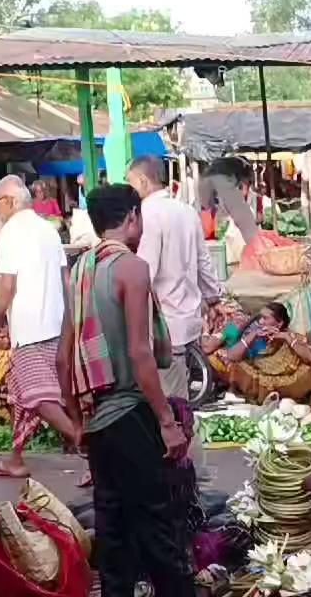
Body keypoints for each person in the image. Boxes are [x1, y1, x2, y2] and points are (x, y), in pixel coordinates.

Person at [72, 184, 193, 597]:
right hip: (129, 412)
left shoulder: (80, 269)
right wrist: (166, 421)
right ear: (131, 218)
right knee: (158, 525)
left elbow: (61, 356)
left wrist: (77, 422)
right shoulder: (132, 268)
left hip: (98, 418)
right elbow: (141, 352)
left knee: (113, 528)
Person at [0, 175, 80, 478]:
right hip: (55, 323)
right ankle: (15, 458)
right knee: (24, 395)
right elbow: (67, 281)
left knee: (38, 398)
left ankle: (85, 443)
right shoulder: (46, 229)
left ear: (9, 201)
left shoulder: (11, 233)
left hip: (32, 327)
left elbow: (6, 288)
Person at [126, 155, 222, 400]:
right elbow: (204, 261)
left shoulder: (147, 214)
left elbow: (145, 270)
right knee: (180, 395)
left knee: (172, 402)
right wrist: (213, 298)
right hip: (188, 319)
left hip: (165, 324)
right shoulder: (187, 211)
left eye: (131, 183)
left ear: (143, 181)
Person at [203, 301, 311, 408]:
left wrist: (287, 338)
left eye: (265, 318)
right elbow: (231, 356)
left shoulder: (290, 336)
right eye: (260, 318)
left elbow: (310, 357)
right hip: (262, 378)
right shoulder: (255, 335)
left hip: (287, 381)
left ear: (279, 323)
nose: (260, 322)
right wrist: (252, 336)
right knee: (236, 366)